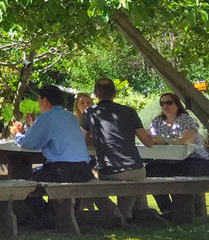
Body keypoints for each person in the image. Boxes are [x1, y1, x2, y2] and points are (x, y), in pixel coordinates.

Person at [10, 84, 91, 226]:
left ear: (45, 100)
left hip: (62, 171)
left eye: (39, 100)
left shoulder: (46, 118)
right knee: (37, 177)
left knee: (21, 181)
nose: (39, 104)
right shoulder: (71, 118)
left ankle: (45, 216)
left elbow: (29, 143)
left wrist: (17, 134)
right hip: (83, 170)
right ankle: (53, 214)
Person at [80, 77, 154, 223]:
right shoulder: (129, 111)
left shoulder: (90, 112)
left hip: (109, 169)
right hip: (136, 168)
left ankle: (115, 214)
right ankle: (126, 214)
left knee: (91, 184)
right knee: (129, 177)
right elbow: (148, 142)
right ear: (114, 94)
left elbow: (81, 140)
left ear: (95, 94)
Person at [145, 92, 209, 218]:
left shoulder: (185, 119)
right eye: (162, 103)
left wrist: (166, 141)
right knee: (150, 170)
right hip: (168, 161)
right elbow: (151, 139)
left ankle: (185, 213)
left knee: (184, 174)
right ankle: (167, 210)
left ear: (177, 105)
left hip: (195, 159)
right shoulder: (157, 121)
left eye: (169, 102)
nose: (165, 105)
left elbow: (187, 139)